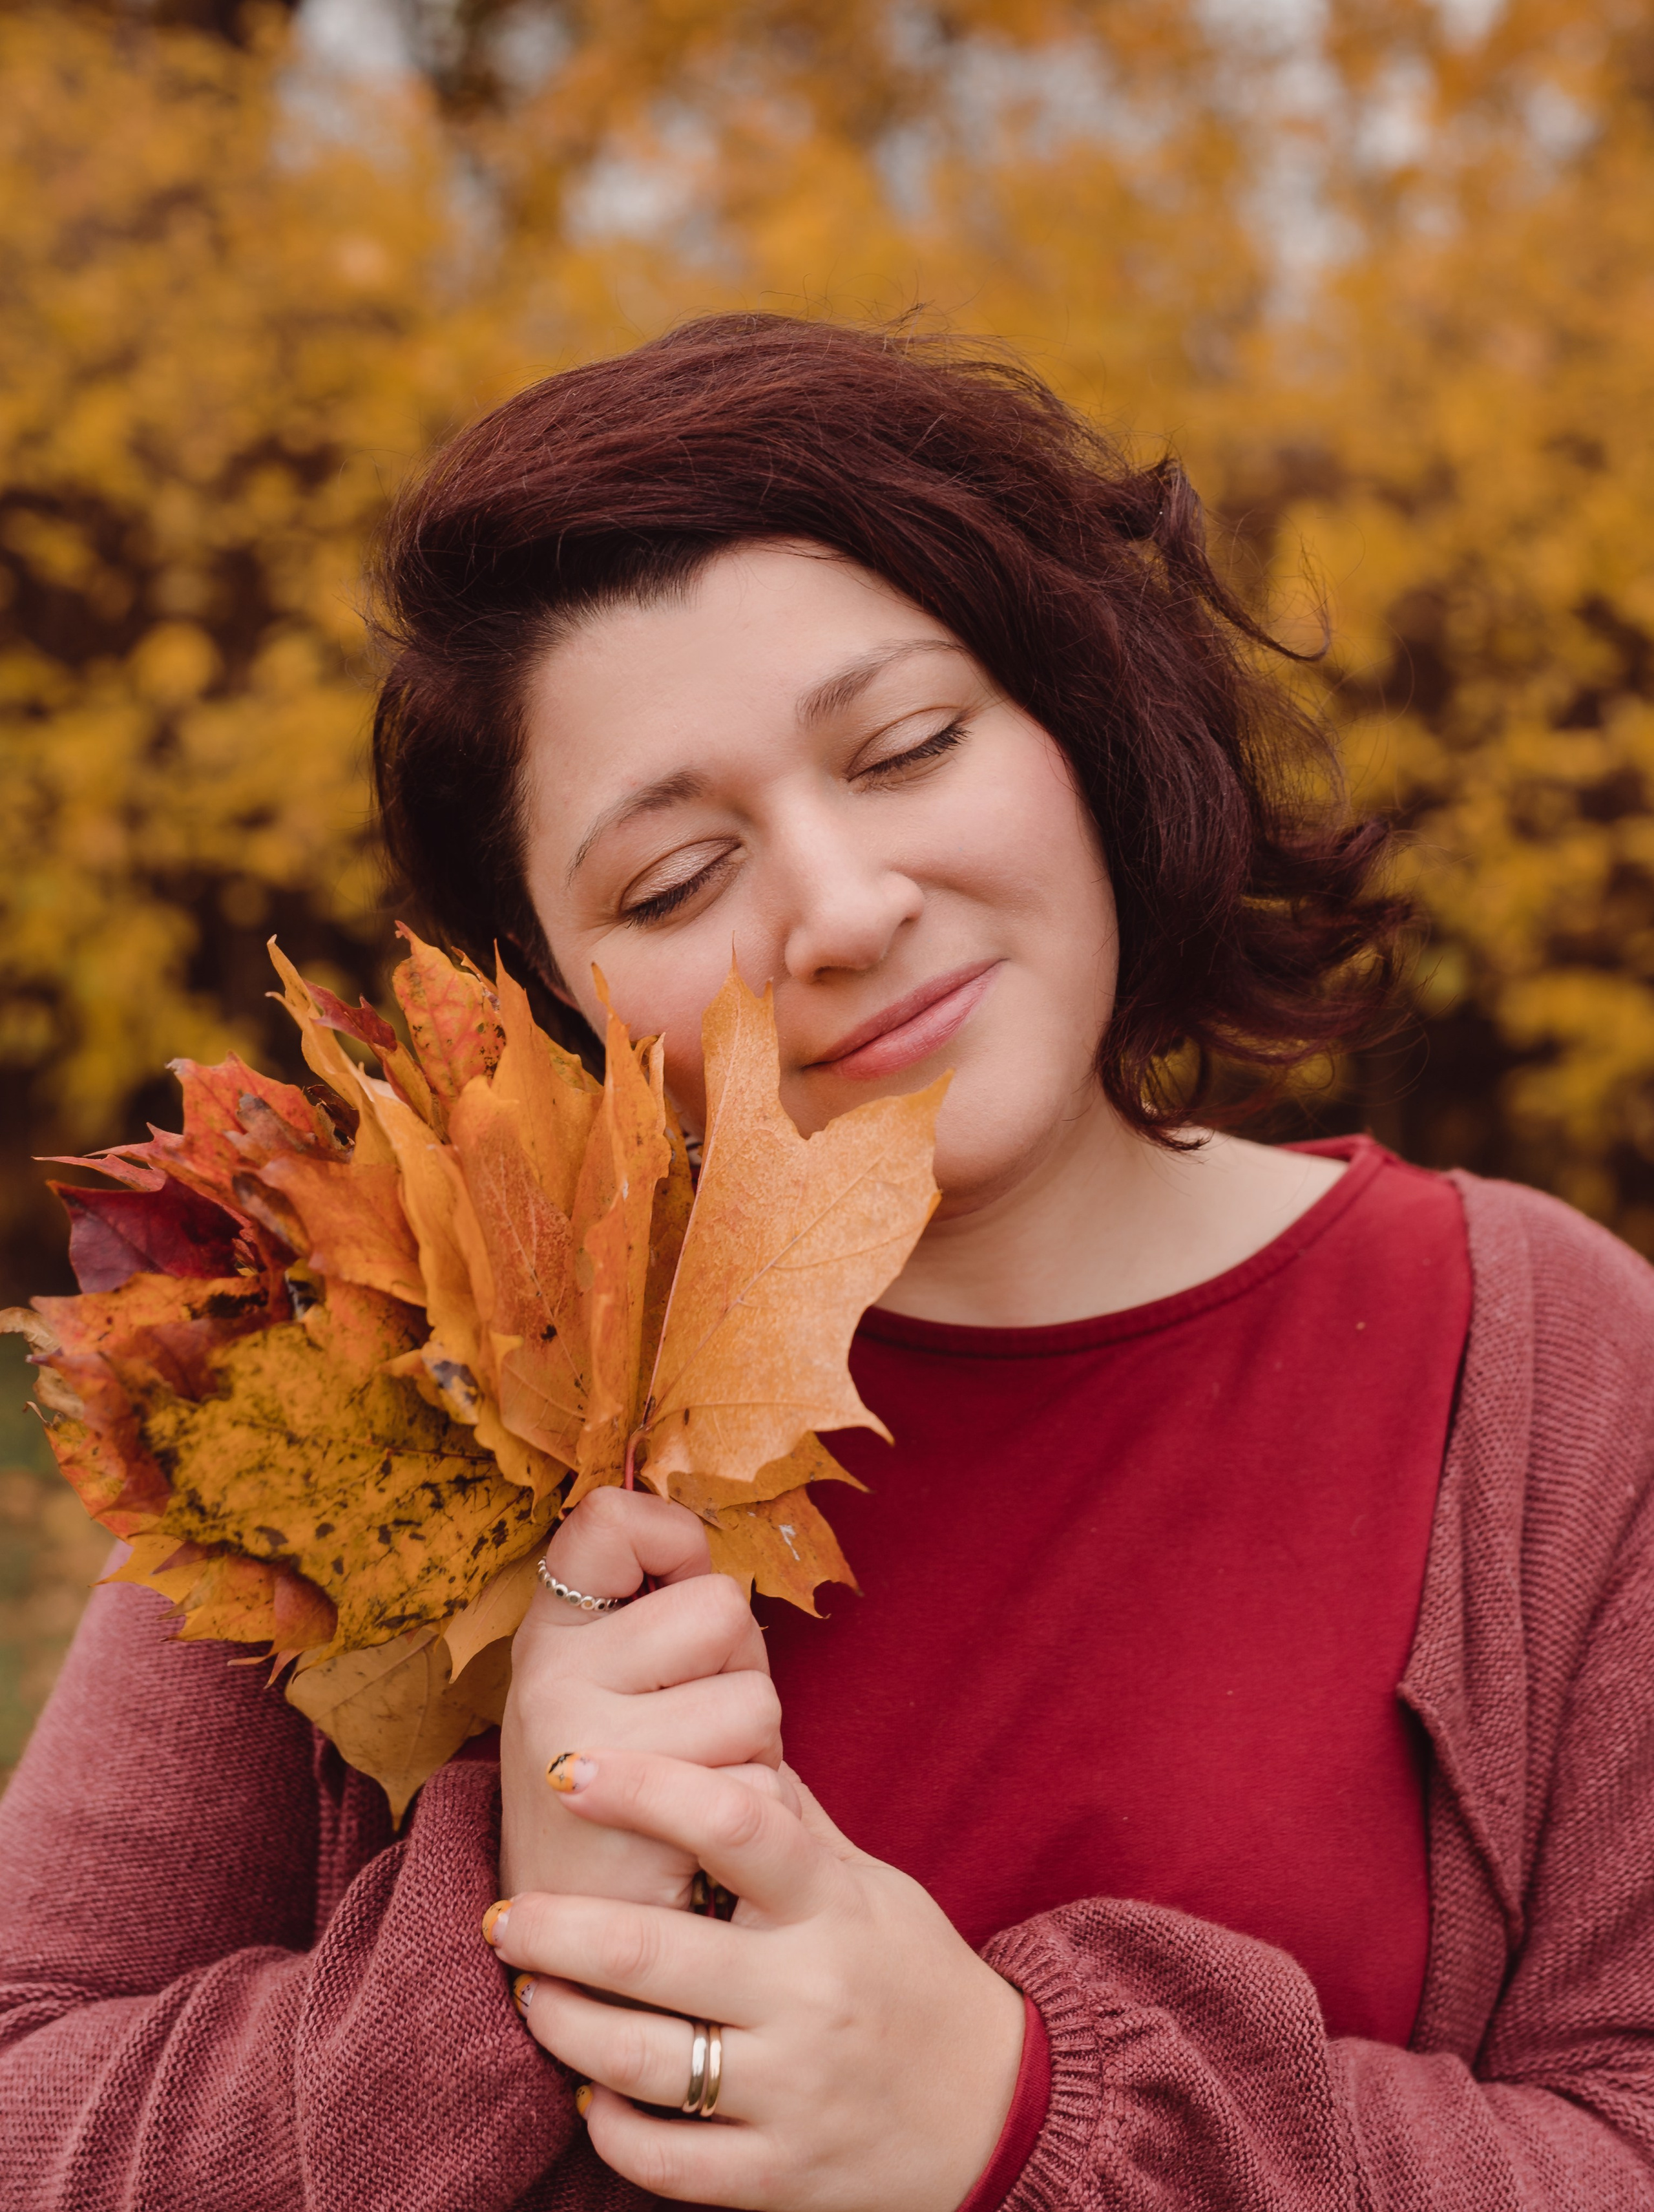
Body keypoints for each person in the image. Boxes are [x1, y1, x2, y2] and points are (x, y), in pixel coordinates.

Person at [4, 315, 1654, 2212]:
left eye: (911, 747)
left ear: (1084, 724)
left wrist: (1023, 2112)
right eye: (674, 881)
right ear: (549, 996)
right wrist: (500, 1946)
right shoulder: (381, 1383)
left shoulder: (1544, 1366)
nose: (848, 912)